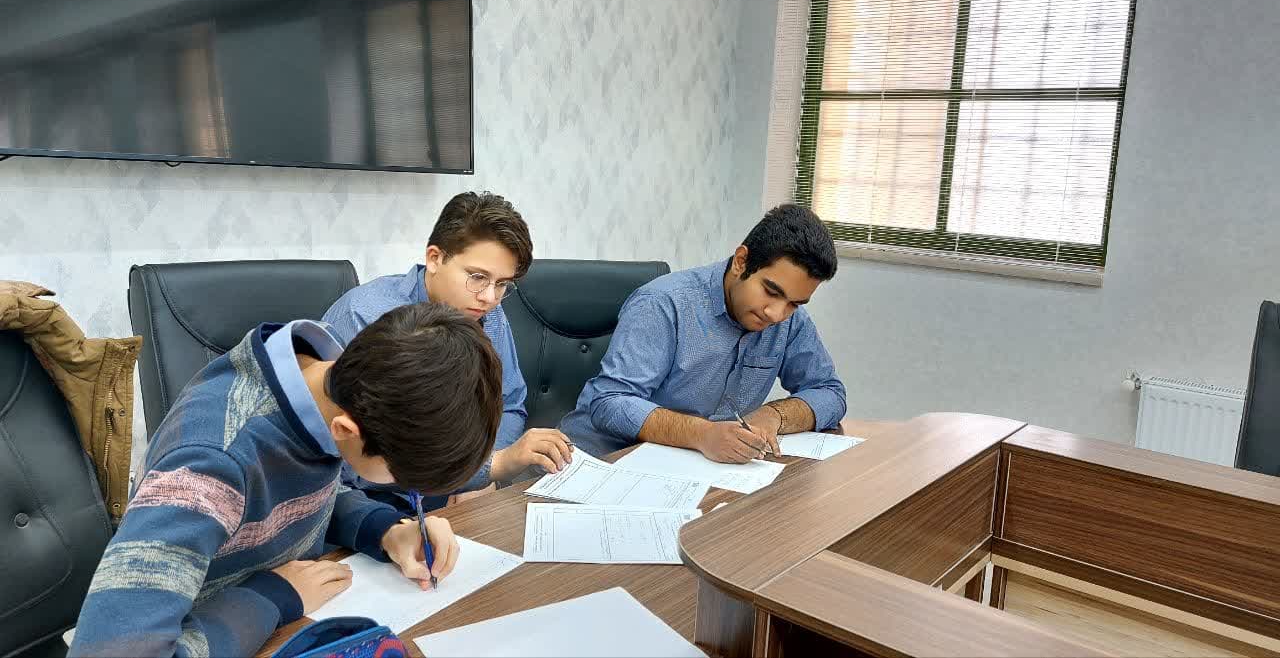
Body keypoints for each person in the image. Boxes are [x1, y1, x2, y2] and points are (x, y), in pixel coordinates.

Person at [70, 302, 502, 657]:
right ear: (347, 432)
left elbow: (297, 493)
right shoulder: (208, 469)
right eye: (402, 480)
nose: (405, 490)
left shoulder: (327, 383)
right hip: (215, 621)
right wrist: (271, 598)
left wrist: (385, 529)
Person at [324, 192, 572, 512]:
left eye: (502, 284)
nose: (489, 297)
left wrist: (481, 470)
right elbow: (350, 462)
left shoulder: (486, 312)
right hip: (374, 503)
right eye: (477, 277)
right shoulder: (363, 318)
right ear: (435, 258)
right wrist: (481, 471)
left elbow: (508, 405)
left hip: (457, 491)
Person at [561, 204, 846, 462]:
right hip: (601, 462)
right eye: (771, 291)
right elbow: (609, 402)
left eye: (794, 303)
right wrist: (702, 434)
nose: (776, 314)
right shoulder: (662, 304)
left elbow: (830, 392)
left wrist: (774, 415)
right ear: (741, 262)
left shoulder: (791, 322)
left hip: (693, 467)